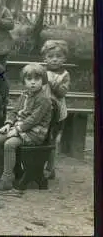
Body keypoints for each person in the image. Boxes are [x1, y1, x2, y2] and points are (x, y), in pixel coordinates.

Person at [0, 64, 53, 191]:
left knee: (9, 144)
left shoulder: (44, 99)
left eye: (37, 79)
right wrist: (8, 124)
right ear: (24, 81)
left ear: (43, 80)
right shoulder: (24, 94)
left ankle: (7, 179)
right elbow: (14, 111)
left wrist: (16, 130)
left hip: (35, 132)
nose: (33, 83)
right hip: (19, 127)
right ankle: (1, 170)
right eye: (29, 79)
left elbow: (33, 120)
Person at [41, 40, 71, 180]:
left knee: (52, 140)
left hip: (57, 113)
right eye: (50, 56)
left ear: (64, 58)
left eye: (58, 56)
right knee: (41, 138)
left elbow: (62, 92)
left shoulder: (64, 74)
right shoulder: (41, 72)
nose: (54, 59)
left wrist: (52, 83)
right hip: (42, 112)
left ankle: (50, 168)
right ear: (45, 58)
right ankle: (37, 166)